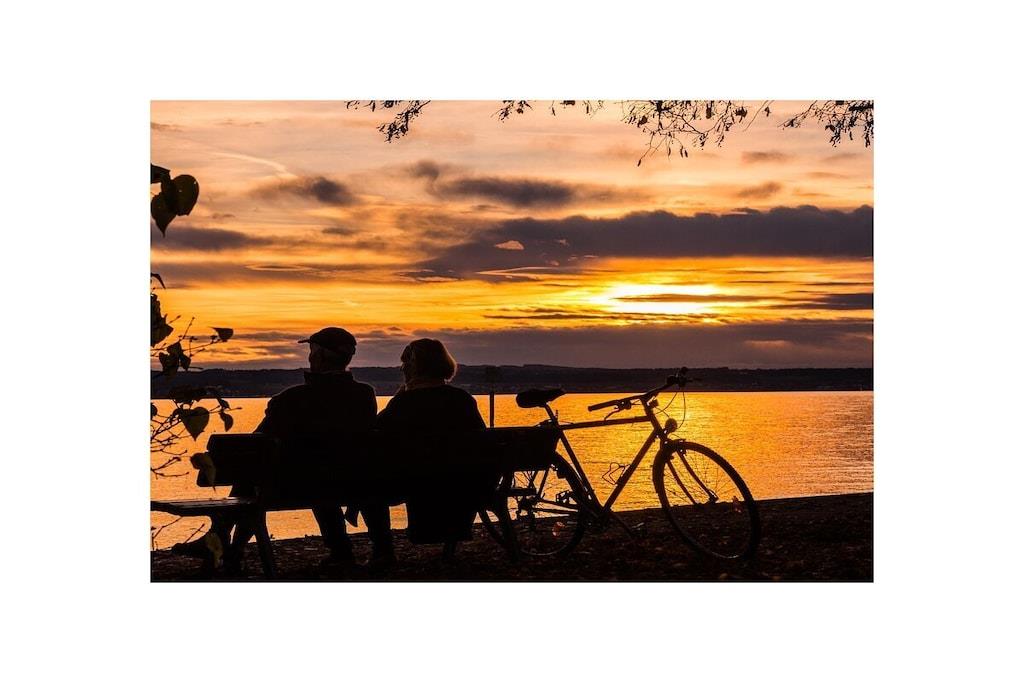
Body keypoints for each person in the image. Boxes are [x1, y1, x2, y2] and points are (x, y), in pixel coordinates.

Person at [174, 326, 393, 569]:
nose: (310, 356)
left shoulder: (291, 399)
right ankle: (339, 551)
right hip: (352, 481)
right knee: (298, 472)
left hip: (296, 486)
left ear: (319, 355)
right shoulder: (365, 395)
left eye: (312, 350)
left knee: (253, 471)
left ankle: (224, 542)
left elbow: (256, 442)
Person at [375, 339, 487, 552]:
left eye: (405, 362)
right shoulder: (462, 399)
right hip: (464, 481)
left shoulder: (404, 403)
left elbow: (377, 431)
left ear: (415, 367)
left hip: (418, 481)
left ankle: (382, 551)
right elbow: (481, 440)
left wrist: (402, 393)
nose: (401, 368)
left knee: (369, 486)